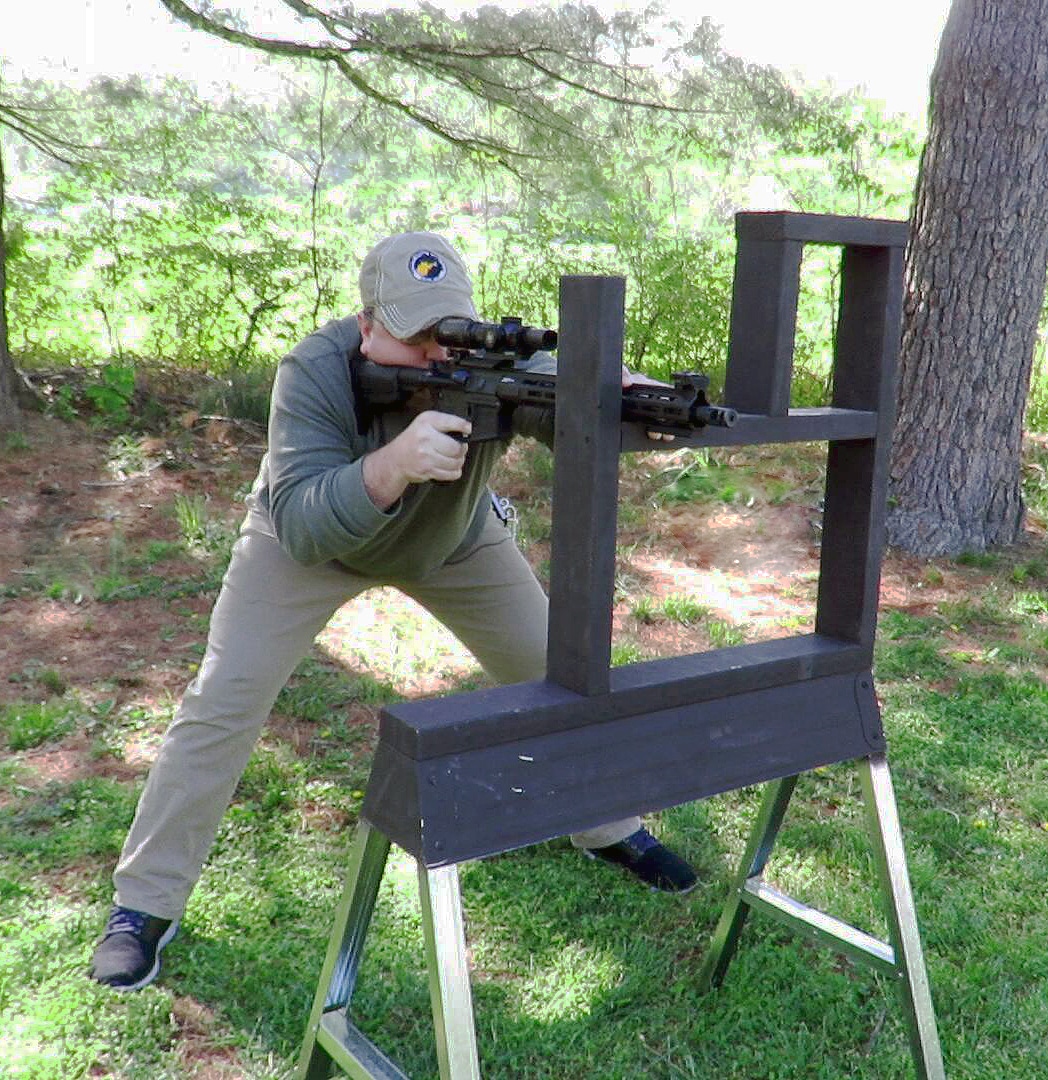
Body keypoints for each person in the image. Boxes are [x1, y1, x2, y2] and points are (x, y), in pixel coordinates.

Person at [89, 231, 697, 992]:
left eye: (450, 334)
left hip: (452, 541)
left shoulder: (492, 367)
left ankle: (606, 826)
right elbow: (306, 522)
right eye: (414, 339)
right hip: (305, 545)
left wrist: (630, 401)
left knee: (563, 673)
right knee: (223, 702)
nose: (439, 355)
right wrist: (394, 465)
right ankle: (144, 906)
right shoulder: (312, 370)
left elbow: (578, 405)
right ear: (367, 324)